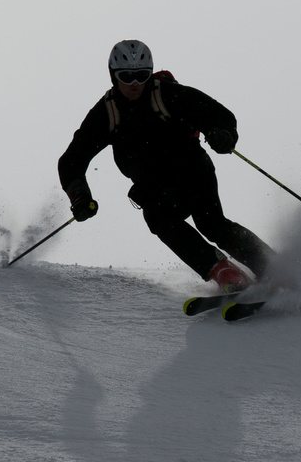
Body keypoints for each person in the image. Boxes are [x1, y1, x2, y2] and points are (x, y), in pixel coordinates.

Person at [58, 41, 274, 290]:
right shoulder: (106, 113)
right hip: (154, 188)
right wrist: (80, 196)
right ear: (113, 76)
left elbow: (219, 115)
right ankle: (222, 271)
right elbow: (72, 160)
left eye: (141, 75)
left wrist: (222, 134)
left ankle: (272, 266)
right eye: (126, 77)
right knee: (159, 219)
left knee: (212, 224)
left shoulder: (168, 94)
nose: (135, 83)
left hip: (193, 172)